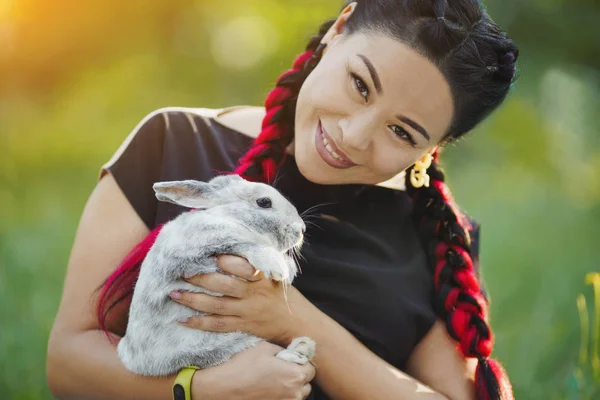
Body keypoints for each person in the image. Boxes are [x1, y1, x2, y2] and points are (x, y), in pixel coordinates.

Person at [46, 1, 519, 399]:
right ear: (338, 29)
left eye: (401, 131)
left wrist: (287, 317)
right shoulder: (174, 141)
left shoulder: (433, 235)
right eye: (360, 85)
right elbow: (68, 362)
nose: (353, 137)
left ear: (434, 146)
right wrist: (204, 388)